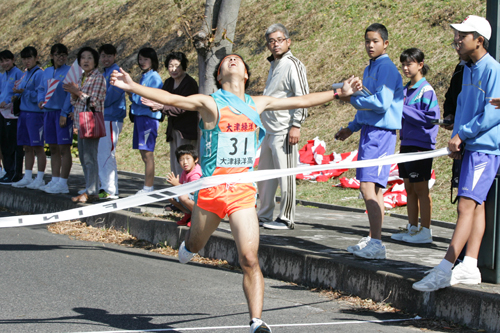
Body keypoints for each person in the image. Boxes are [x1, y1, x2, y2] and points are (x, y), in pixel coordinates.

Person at [110, 53, 359, 333]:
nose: (232, 60)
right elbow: (171, 99)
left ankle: (257, 322)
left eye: (237, 60)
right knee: (195, 245)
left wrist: (339, 93)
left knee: (249, 258)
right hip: (211, 192)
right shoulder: (210, 102)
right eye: (226, 60)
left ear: (246, 74)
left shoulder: (257, 102)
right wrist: (132, 87)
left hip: (242, 192)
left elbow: (299, 101)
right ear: (218, 76)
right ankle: (188, 247)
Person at [413, 15, 500, 292]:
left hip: (484, 149)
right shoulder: (467, 68)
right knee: (476, 206)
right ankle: (470, 265)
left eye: (464, 35)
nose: (457, 39)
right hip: (470, 147)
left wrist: (462, 135)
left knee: (466, 205)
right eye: (457, 34)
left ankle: (444, 268)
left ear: (480, 40)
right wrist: (457, 138)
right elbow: (464, 107)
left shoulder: (493, 69)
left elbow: (493, 112)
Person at [335, 23, 404, 260]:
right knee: (373, 189)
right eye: (367, 41)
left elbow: (382, 104)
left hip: (381, 134)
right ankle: (373, 238)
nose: (370, 45)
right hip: (369, 132)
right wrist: (351, 128)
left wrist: (351, 98)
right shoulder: (368, 69)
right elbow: (367, 103)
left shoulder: (387, 69)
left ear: (385, 43)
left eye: (375, 41)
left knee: (367, 186)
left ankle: (377, 242)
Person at [257, 23, 309, 230]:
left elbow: (302, 97)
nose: (275, 44)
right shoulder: (274, 64)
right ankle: (264, 214)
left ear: (288, 41)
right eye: (271, 41)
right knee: (265, 176)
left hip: (284, 129)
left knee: (285, 175)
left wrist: (296, 125)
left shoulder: (293, 64)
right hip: (268, 129)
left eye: (279, 40)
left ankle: (286, 217)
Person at [391, 48, 439, 244]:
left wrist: (404, 109)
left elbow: (431, 119)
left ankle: (425, 230)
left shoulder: (427, 90)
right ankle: (412, 228)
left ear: (420, 65)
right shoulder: (403, 91)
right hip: (406, 144)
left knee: (421, 189)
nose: (405, 68)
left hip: (421, 146)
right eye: (402, 64)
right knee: (408, 187)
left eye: (409, 64)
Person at [142, 51, 199, 177]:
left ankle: (186, 190)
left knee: (186, 161)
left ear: (183, 66)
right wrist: (153, 104)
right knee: (176, 160)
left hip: (187, 131)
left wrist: (162, 106)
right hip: (173, 129)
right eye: (170, 66)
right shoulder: (168, 82)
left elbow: (183, 106)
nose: (174, 69)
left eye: (177, 66)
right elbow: (160, 99)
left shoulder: (189, 83)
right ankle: (177, 189)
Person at [63, 46, 106, 203]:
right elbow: (75, 102)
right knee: (83, 156)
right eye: (83, 58)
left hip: (91, 122)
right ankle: (90, 188)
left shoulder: (98, 78)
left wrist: (78, 92)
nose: (86, 61)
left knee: (89, 157)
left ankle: (93, 191)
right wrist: (74, 93)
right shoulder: (83, 78)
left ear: (95, 61)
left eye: (89, 58)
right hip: (81, 121)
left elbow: (94, 101)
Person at [37, 43, 74, 194]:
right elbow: (41, 89)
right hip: (48, 112)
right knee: (52, 147)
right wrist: (40, 100)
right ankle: (55, 179)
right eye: (58, 54)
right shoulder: (46, 72)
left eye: (64, 54)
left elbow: (70, 94)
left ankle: (63, 183)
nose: (61, 57)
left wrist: (64, 113)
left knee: (64, 148)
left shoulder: (70, 71)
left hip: (61, 112)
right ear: (52, 56)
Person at [129, 47, 163, 194]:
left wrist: (131, 91)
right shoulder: (145, 76)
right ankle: (147, 186)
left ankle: (148, 187)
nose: (142, 62)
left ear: (152, 60)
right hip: (140, 118)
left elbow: (145, 99)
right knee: (143, 154)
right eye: (140, 59)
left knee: (148, 154)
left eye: (146, 59)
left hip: (148, 119)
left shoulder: (154, 78)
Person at [11, 46, 45, 189]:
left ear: (36, 58)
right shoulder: (25, 74)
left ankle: (40, 178)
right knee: (27, 146)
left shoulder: (39, 74)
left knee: (37, 146)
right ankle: (28, 176)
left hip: (35, 114)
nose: (27, 61)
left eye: (29, 58)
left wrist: (25, 92)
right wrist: (16, 95)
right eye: (24, 59)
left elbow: (40, 96)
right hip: (24, 113)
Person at [97, 44, 126, 200]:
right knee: (101, 154)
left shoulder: (116, 73)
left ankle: (110, 189)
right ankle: (104, 187)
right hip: (103, 117)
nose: (105, 59)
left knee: (107, 153)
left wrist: (95, 101)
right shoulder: (104, 72)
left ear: (114, 56)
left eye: (108, 56)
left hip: (112, 117)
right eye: (102, 56)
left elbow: (111, 96)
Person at [0, 50, 24, 184]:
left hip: (13, 115)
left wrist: (9, 101)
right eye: (2, 61)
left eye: (7, 60)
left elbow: (18, 93)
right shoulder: (4, 76)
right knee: (5, 144)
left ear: (13, 59)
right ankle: (8, 172)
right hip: (3, 114)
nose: (4, 63)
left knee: (14, 145)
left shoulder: (18, 73)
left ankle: (16, 173)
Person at [166, 144, 202, 227]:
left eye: (188, 158)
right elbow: (182, 186)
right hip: (190, 197)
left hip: (199, 200)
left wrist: (177, 184)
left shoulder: (195, 173)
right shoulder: (185, 172)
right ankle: (188, 213)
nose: (185, 162)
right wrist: (176, 185)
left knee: (183, 197)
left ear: (196, 159)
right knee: (169, 195)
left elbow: (194, 192)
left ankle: (196, 216)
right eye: (181, 160)